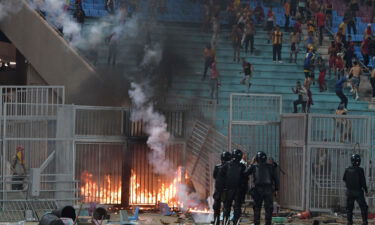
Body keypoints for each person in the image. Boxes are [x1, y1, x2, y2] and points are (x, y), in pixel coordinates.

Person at [247, 151, 279, 225]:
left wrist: (251, 163)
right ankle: (268, 223)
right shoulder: (271, 167)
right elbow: (276, 179)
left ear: (256, 159)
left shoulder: (254, 167)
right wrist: (276, 189)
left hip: (258, 189)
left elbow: (245, 173)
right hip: (268, 190)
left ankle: (257, 223)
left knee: (257, 208)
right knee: (269, 208)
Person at [221, 149, 246, 225]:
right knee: (237, 208)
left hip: (228, 190)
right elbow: (244, 178)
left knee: (226, 208)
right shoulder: (242, 166)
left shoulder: (226, 165)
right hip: (238, 190)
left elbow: (221, 176)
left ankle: (226, 223)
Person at [343, 154, 368, 225]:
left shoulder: (347, 169)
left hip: (349, 191)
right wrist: (366, 190)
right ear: (359, 161)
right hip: (358, 192)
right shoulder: (360, 170)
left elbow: (344, 179)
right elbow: (363, 182)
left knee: (349, 209)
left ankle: (349, 222)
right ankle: (364, 222)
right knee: (363, 207)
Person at [212, 152, 232, 225]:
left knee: (216, 208)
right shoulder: (231, 167)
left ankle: (216, 222)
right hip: (226, 190)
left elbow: (214, 176)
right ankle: (225, 222)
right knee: (226, 208)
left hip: (219, 189)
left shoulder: (217, 167)